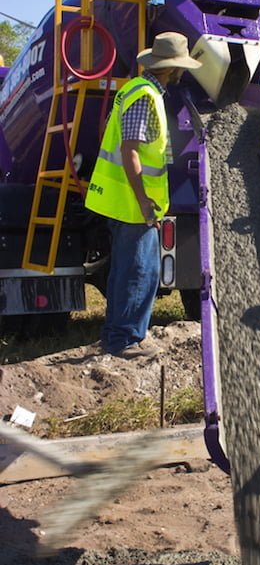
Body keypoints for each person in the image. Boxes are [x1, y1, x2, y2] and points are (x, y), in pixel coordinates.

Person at [85, 32, 202, 358]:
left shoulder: (134, 90)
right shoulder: (146, 96)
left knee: (129, 271)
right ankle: (125, 340)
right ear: (173, 67)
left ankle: (118, 337)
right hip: (132, 204)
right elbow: (130, 151)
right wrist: (144, 202)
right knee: (140, 273)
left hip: (124, 201)